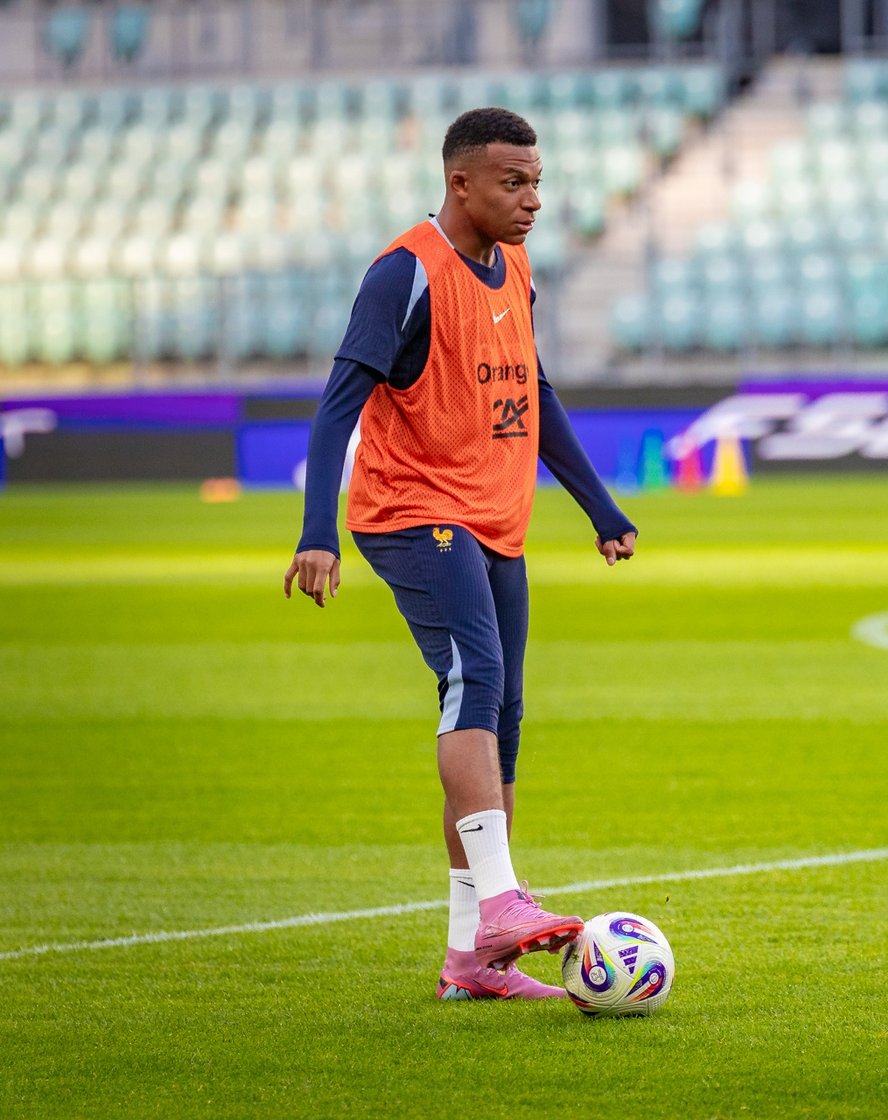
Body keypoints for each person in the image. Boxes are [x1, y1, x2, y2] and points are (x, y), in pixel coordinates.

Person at [283, 107, 639, 1001]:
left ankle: (471, 961)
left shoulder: (515, 266)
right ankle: (502, 900)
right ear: (461, 183)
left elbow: (533, 389)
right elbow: (337, 405)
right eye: (514, 183)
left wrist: (599, 508)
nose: (533, 200)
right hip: (413, 510)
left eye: (538, 182)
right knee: (472, 676)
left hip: (494, 519)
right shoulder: (404, 273)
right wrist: (318, 532)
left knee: (502, 714)